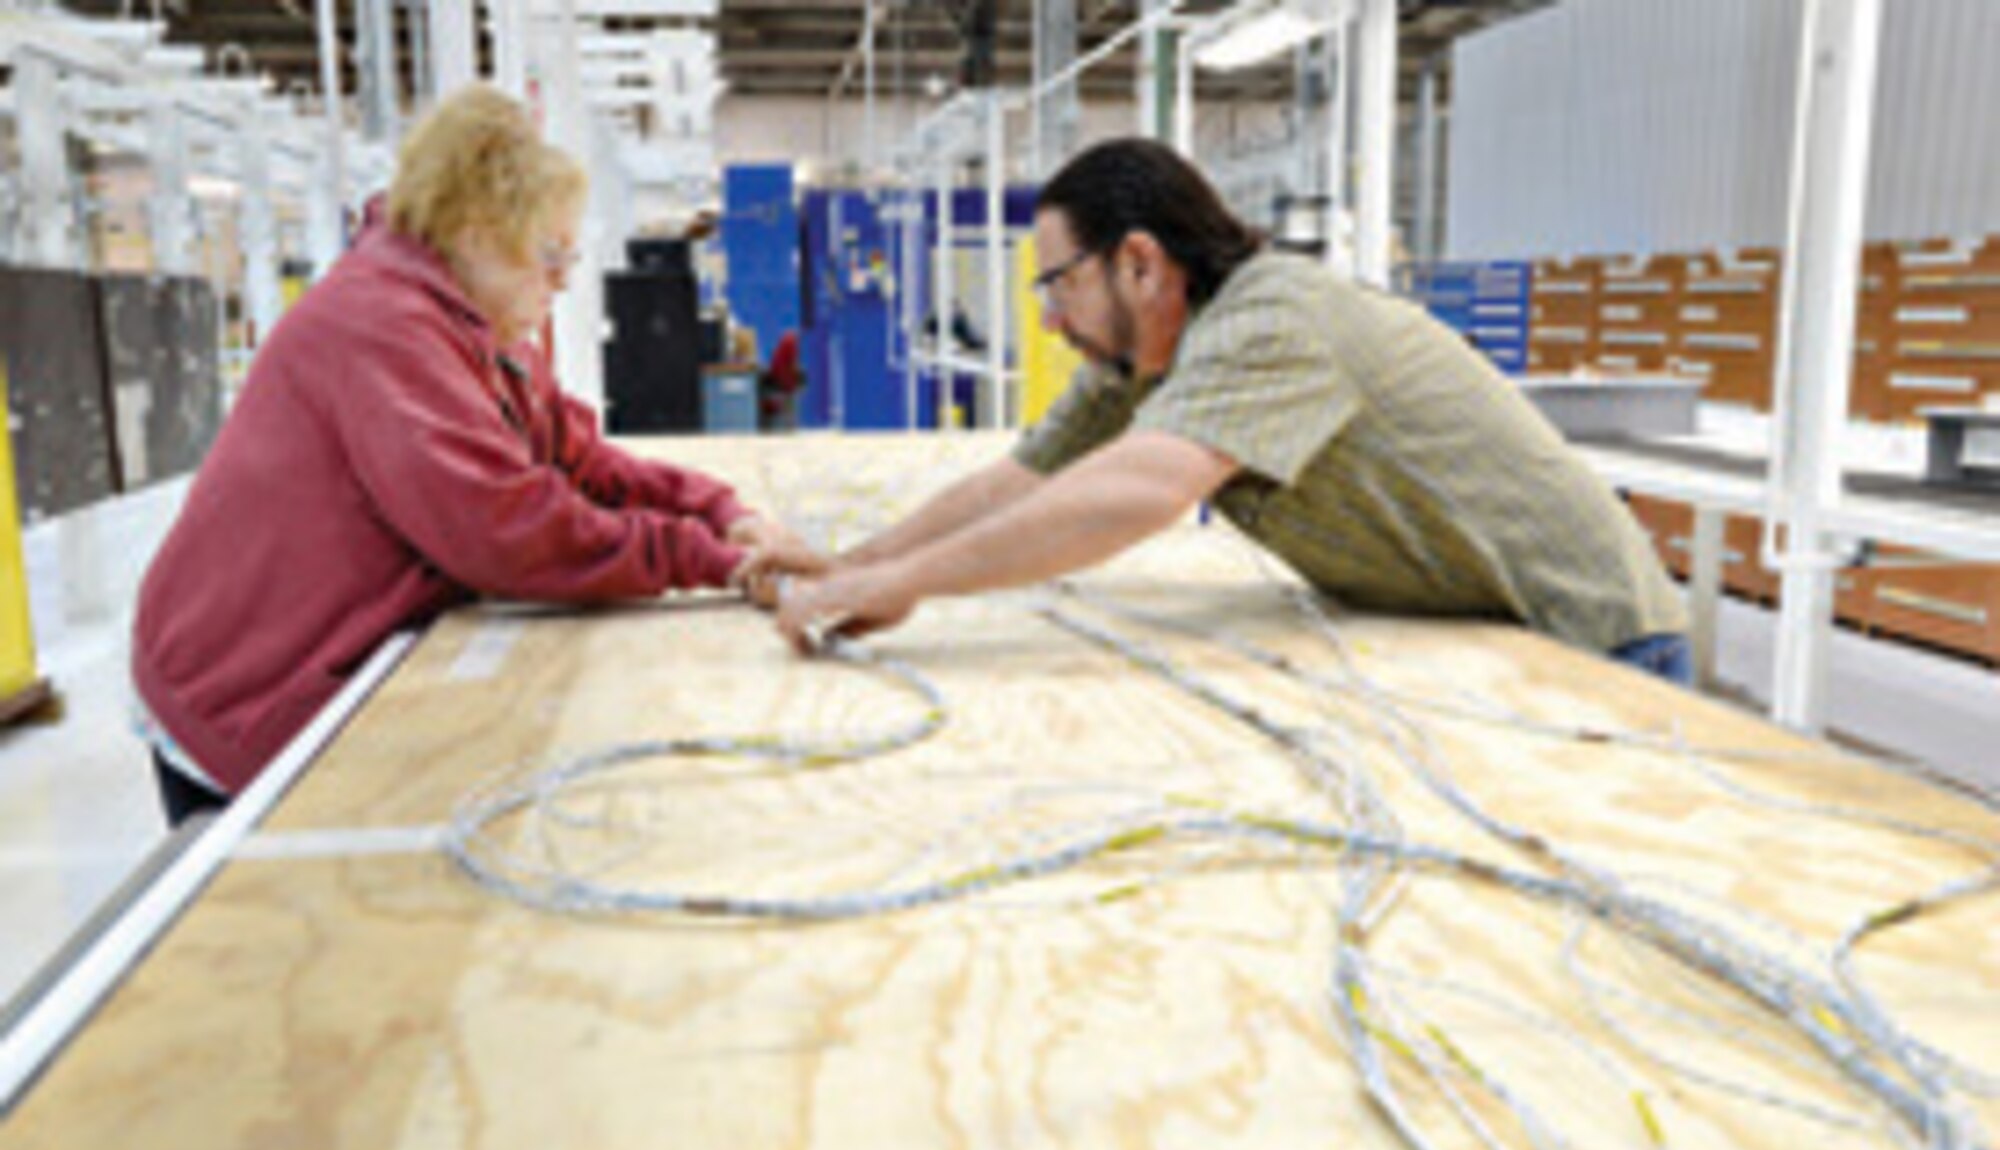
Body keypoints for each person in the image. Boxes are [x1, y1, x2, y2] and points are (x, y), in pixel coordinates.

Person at [133, 85, 821, 826]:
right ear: (472, 232)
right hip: (245, 686)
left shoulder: (480, 332)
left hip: (310, 654)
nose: (563, 278)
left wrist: (721, 512)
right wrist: (706, 560)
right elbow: (509, 531)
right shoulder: (381, 327)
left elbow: (582, 463)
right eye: (549, 253)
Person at [775, 138, 1690, 686]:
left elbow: (1135, 492)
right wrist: (854, 567)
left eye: (1059, 284)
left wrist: (910, 584)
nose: (1048, 320)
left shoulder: (1272, 316)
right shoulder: (1141, 360)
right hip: (1478, 637)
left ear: (1140, 263)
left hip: (1595, 638)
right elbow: (1012, 485)